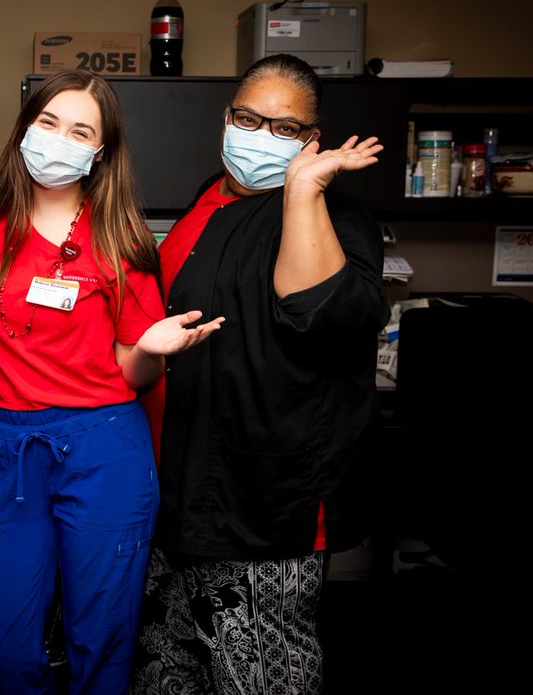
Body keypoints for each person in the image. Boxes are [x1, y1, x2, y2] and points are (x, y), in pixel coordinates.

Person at [0, 69, 224, 695]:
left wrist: (153, 348)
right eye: (48, 122)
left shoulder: (120, 235)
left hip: (104, 448)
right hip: (6, 451)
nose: (59, 139)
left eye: (80, 130)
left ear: (100, 151)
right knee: (6, 644)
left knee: (100, 638)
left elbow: (132, 369)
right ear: (24, 128)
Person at [129, 54, 390, 695]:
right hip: (179, 496)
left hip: (263, 507)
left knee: (261, 676)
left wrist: (303, 190)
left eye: (284, 127)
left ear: (311, 140)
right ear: (227, 119)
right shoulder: (209, 198)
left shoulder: (333, 214)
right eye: (249, 118)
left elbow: (322, 315)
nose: (261, 137)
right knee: (169, 674)